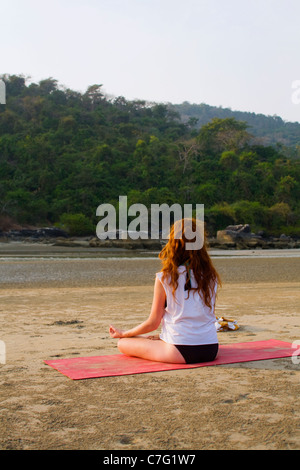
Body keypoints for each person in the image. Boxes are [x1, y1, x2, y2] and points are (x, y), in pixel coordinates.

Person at [109, 218, 221, 364]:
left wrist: (123, 333)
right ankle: (164, 338)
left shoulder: (165, 277)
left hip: (180, 350)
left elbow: (153, 323)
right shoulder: (211, 277)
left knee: (123, 343)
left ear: (173, 243)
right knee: (150, 338)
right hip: (210, 349)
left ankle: (160, 339)